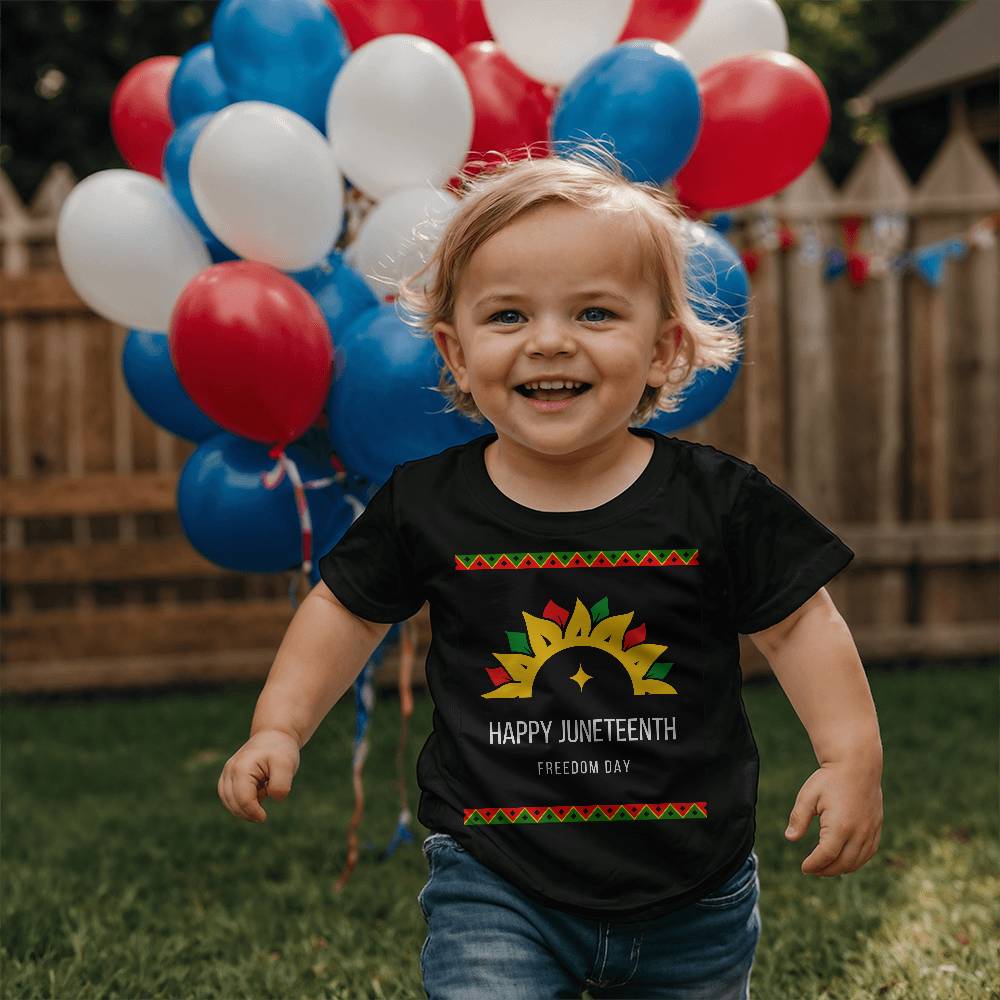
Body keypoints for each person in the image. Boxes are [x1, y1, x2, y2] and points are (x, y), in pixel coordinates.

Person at [217, 143, 884, 999]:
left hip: (695, 886)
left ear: (664, 349)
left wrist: (850, 752)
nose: (549, 342)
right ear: (455, 355)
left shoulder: (717, 500)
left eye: (597, 314)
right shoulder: (427, 504)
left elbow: (802, 623)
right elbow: (344, 612)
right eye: (508, 318)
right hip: (495, 877)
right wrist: (280, 725)